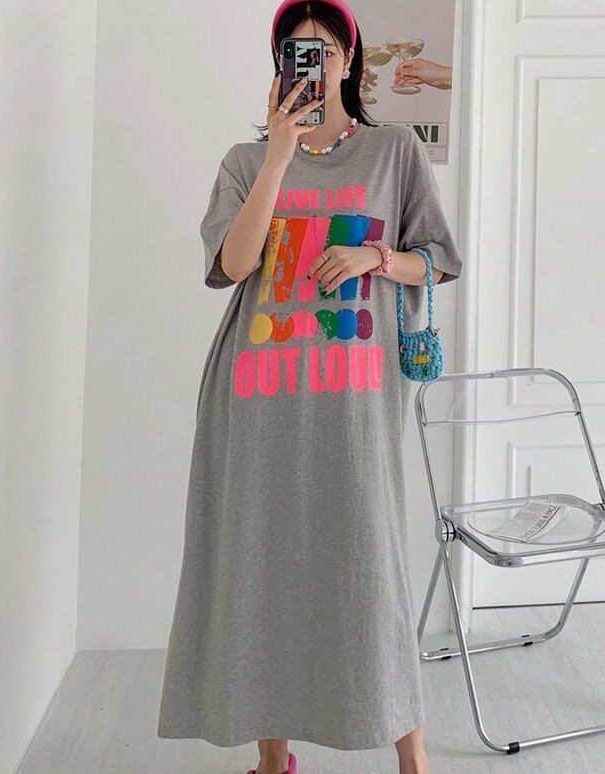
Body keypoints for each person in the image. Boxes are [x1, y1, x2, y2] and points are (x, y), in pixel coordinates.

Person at [156, 2, 463, 773]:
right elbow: (232, 266)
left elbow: (438, 259)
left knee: (369, 566)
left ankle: (413, 757)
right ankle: (272, 761)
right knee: (262, 564)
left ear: (350, 60)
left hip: (356, 399)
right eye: (294, 51)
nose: (311, 63)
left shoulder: (393, 152)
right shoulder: (245, 161)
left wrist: (376, 259)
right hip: (257, 396)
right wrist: (278, 157)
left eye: (323, 50)